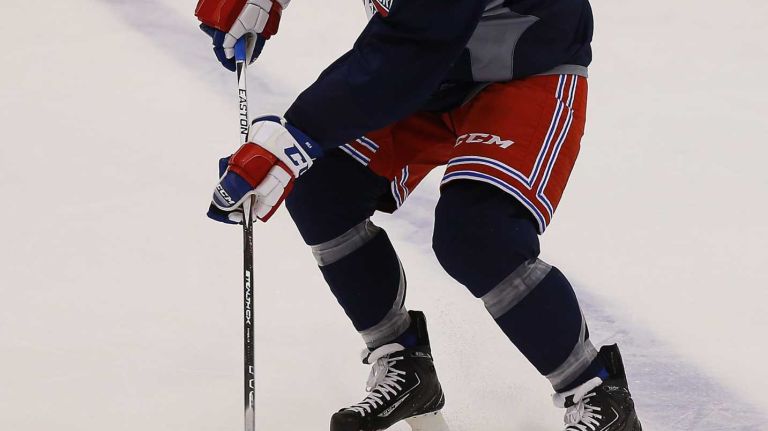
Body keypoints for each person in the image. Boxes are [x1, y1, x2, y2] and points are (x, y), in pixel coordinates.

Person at [195, 0, 643, 430]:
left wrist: (297, 140)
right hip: (427, 64)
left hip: (525, 65)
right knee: (323, 185)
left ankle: (596, 393)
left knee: (478, 234)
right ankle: (402, 359)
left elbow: (412, 49)